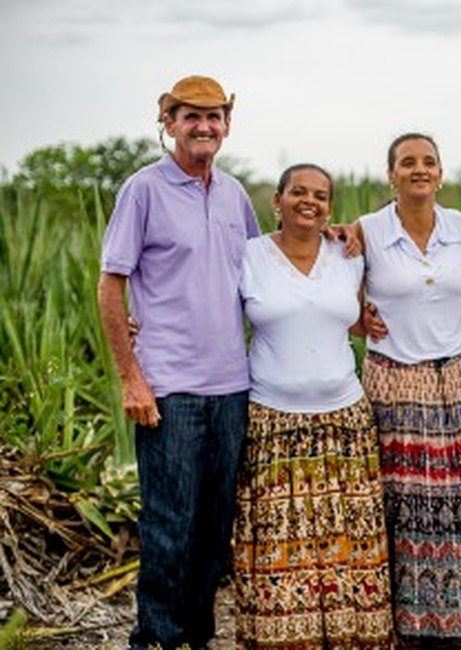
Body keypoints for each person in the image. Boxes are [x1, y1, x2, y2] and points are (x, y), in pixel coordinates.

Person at [97, 75, 260, 650]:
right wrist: (131, 377)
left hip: (232, 387)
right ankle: (155, 640)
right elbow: (110, 285)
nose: (204, 126)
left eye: (215, 116)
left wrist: (343, 241)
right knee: (169, 527)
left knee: (215, 532)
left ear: (227, 124)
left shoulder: (236, 194)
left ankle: (197, 636)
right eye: (191, 116)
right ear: (168, 122)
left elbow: (264, 276)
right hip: (169, 388)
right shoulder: (144, 189)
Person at [233, 164, 392, 648]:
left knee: (349, 542)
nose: (310, 201)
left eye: (320, 195)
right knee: (280, 541)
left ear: (330, 206)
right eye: (298, 192)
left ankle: (351, 637)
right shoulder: (248, 255)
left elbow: (371, 316)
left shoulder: (348, 255)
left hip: (345, 420)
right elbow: (204, 312)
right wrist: (143, 327)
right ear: (276, 200)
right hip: (273, 419)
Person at [357, 133, 461, 647]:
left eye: (428, 162)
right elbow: (335, 291)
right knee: (404, 501)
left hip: (455, 377)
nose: (419, 170)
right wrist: (359, 320)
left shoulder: (457, 224)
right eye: (407, 162)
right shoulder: (367, 230)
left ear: (441, 172)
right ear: (390, 174)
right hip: (396, 380)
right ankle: (410, 623)